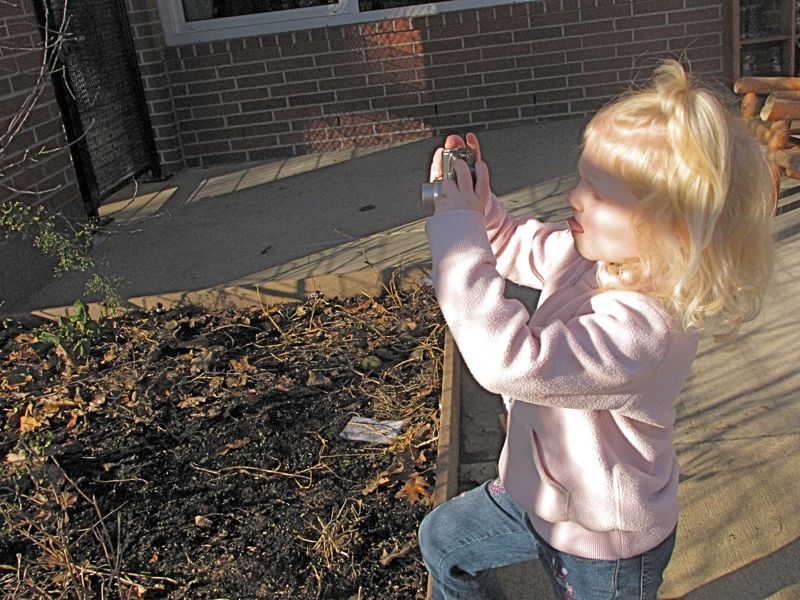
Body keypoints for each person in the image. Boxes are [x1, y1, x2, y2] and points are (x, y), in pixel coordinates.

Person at [418, 59, 775, 599]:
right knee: (444, 541)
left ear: (671, 226)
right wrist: (476, 208)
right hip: (532, 495)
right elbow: (514, 245)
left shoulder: (645, 331)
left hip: (603, 545)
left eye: (598, 192)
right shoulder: (590, 254)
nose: (573, 197)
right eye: (582, 177)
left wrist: (455, 232)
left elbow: (509, 362)